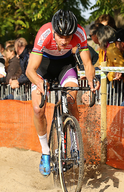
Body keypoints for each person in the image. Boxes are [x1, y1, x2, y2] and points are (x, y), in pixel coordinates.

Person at [25, 10, 98, 176]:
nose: (65, 41)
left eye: (68, 37)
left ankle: (75, 145)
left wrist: (92, 83)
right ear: (53, 32)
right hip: (43, 68)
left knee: (71, 100)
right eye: (61, 36)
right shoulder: (44, 33)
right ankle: (45, 152)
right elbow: (30, 69)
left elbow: (87, 64)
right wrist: (39, 82)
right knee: (38, 109)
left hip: (66, 66)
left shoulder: (80, 32)